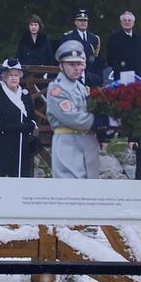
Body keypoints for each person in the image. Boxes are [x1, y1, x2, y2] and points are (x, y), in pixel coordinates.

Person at [46, 40, 111, 179]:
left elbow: (90, 109)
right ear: (61, 66)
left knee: (90, 191)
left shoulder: (80, 86)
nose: (77, 68)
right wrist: (102, 122)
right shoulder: (56, 88)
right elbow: (72, 118)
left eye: (79, 63)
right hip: (68, 143)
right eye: (71, 64)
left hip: (87, 142)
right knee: (70, 191)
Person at [0, 58, 39, 177]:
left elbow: (32, 117)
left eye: (16, 75)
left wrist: (29, 126)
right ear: (4, 77)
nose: (14, 78)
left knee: (20, 176)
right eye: (10, 75)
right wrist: (5, 126)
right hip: (3, 141)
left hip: (22, 141)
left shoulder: (25, 94)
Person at [61, 9, 104, 86]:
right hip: (74, 74)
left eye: (85, 20)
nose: (83, 22)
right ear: (75, 22)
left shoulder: (94, 38)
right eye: (80, 20)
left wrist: (99, 77)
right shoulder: (68, 37)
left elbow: (98, 61)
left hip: (91, 77)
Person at [107, 11, 141, 77]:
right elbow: (111, 60)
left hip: (138, 75)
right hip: (120, 75)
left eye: (129, 20)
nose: (127, 22)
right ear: (121, 23)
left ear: (133, 23)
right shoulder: (113, 38)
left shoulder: (140, 39)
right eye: (125, 20)